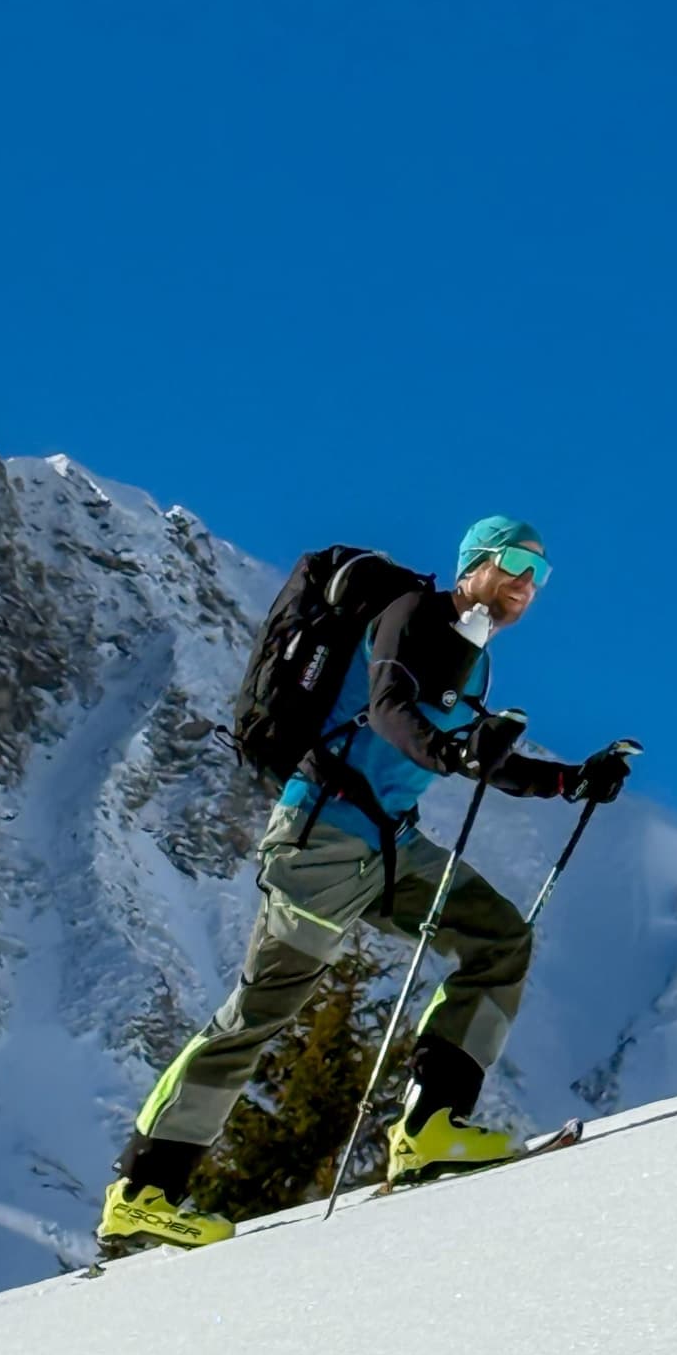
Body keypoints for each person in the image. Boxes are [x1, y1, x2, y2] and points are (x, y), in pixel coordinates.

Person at [97, 514, 634, 1253]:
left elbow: (481, 759)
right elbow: (389, 709)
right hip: (322, 837)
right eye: (512, 563)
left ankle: (429, 1128)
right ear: (474, 561)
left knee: (499, 939)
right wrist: (450, 747)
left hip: (389, 845)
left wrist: (574, 778)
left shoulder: (475, 663)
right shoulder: (411, 614)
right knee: (258, 1012)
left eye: (538, 576)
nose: (522, 585)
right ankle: (142, 1191)